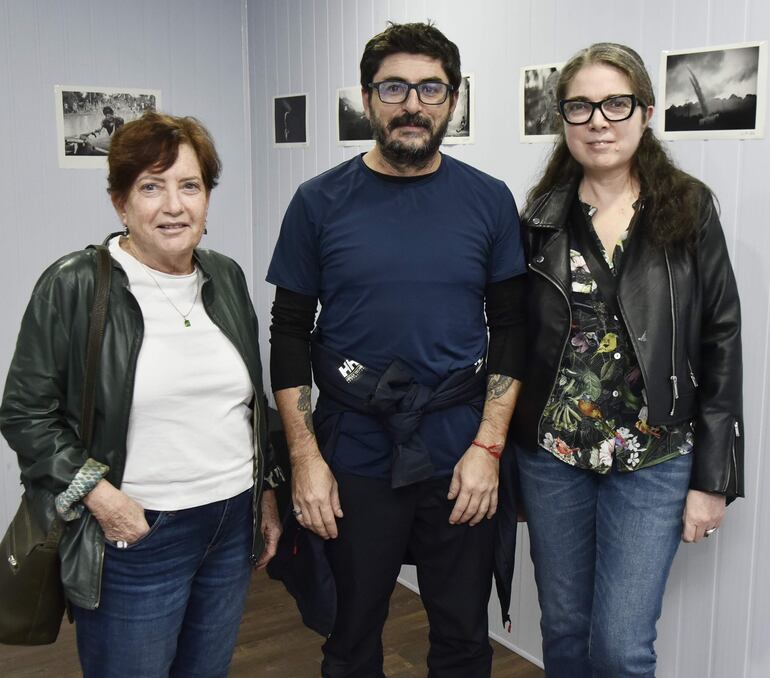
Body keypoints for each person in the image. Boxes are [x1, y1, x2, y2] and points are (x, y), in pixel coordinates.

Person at [267, 21, 527, 678]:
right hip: (354, 449)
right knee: (350, 637)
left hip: (459, 449)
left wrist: (488, 449)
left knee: (464, 638)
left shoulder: (488, 200)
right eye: (395, 87)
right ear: (367, 97)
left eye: (430, 88)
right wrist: (305, 461)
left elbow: (513, 330)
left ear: (452, 99)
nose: (413, 104)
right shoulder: (318, 202)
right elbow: (290, 332)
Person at [0, 111, 283, 678]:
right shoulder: (76, 283)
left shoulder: (224, 277)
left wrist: (266, 494)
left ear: (207, 197)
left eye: (190, 186)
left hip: (230, 521)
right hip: (136, 530)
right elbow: (25, 413)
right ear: (120, 202)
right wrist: (103, 500)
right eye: (151, 186)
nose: (174, 206)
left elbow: (250, 404)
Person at [510, 43, 743, 677]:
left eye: (616, 103)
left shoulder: (688, 209)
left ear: (644, 111)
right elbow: (514, 340)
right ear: (563, 119)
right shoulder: (538, 216)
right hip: (553, 458)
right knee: (562, 629)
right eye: (580, 105)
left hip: (656, 457)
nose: (598, 121)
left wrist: (714, 478)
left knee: (620, 646)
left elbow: (721, 339)